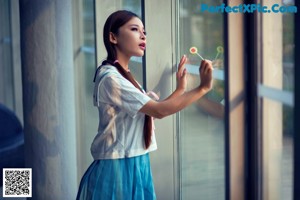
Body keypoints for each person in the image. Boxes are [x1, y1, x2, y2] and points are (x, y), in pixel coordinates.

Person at [76, 10, 213, 200]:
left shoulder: (123, 75)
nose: (143, 35)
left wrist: (181, 88)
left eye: (144, 32)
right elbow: (160, 110)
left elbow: (152, 110)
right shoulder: (112, 79)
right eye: (134, 29)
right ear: (113, 37)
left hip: (134, 161)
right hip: (117, 166)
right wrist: (203, 88)